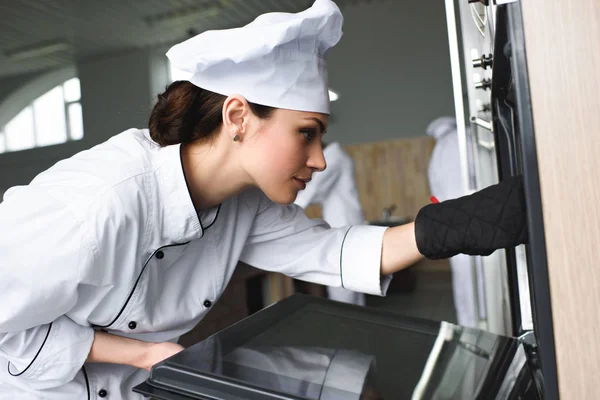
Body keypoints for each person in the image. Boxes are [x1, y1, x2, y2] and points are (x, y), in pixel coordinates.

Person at [0, 1, 527, 398]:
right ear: (237, 118)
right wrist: (142, 352)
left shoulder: (241, 203)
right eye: (306, 133)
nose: (319, 159)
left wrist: (458, 225)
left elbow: (333, 252)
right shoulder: (98, 203)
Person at [294, 141, 367, 306]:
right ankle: (358, 328)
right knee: (354, 286)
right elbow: (319, 193)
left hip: (344, 231)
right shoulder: (338, 155)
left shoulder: (334, 157)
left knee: (341, 287)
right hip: (348, 229)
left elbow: (311, 191)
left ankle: (344, 327)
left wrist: (282, 208)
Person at [426, 117, 479, 327]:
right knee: (478, 288)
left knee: (466, 286)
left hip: (454, 227)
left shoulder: (440, 150)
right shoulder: (461, 141)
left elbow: (438, 195)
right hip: (472, 223)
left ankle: (471, 329)